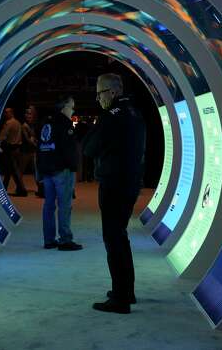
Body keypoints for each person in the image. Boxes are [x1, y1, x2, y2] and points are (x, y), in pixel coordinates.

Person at [83, 73, 146, 314]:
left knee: (113, 239)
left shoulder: (110, 117)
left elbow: (89, 148)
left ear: (112, 92)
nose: (97, 98)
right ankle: (126, 290)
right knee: (121, 236)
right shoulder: (136, 113)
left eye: (99, 93)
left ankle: (120, 298)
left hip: (113, 184)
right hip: (131, 183)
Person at [36, 95, 83, 251]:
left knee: (48, 205)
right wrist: (74, 167)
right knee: (64, 205)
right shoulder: (64, 123)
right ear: (64, 108)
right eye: (71, 106)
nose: (73, 110)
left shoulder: (45, 122)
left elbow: (40, 146)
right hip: (62, 170)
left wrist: (40, 170)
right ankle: (65, 239)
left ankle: (49, 240)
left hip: (47, 169)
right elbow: (70, 149)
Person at [0, 107, 28, 196]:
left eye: (6, 112)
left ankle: (22, 190)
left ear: (11, 113)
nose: (5, 114)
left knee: (13, 171)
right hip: (17, 149)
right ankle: (6, 188)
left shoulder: (8, 123)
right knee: (11, 170)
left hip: (10, 150)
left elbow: (2, 136)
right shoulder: (18, 122)